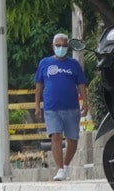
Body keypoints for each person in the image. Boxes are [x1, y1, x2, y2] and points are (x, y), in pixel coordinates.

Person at [35, 32, 88, 180]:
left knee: (72, 139)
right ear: (53, 46)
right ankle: (59, 169)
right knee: (56, 136)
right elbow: (39, 85)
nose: (61, 48)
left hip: (72, 107)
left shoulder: (74, 65)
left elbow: (81, 84)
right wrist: (37, 105)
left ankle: (66, 165)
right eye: (58, 45)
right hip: (51, 108)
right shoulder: (44, 63)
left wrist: (85, 102)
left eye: (64, 46)